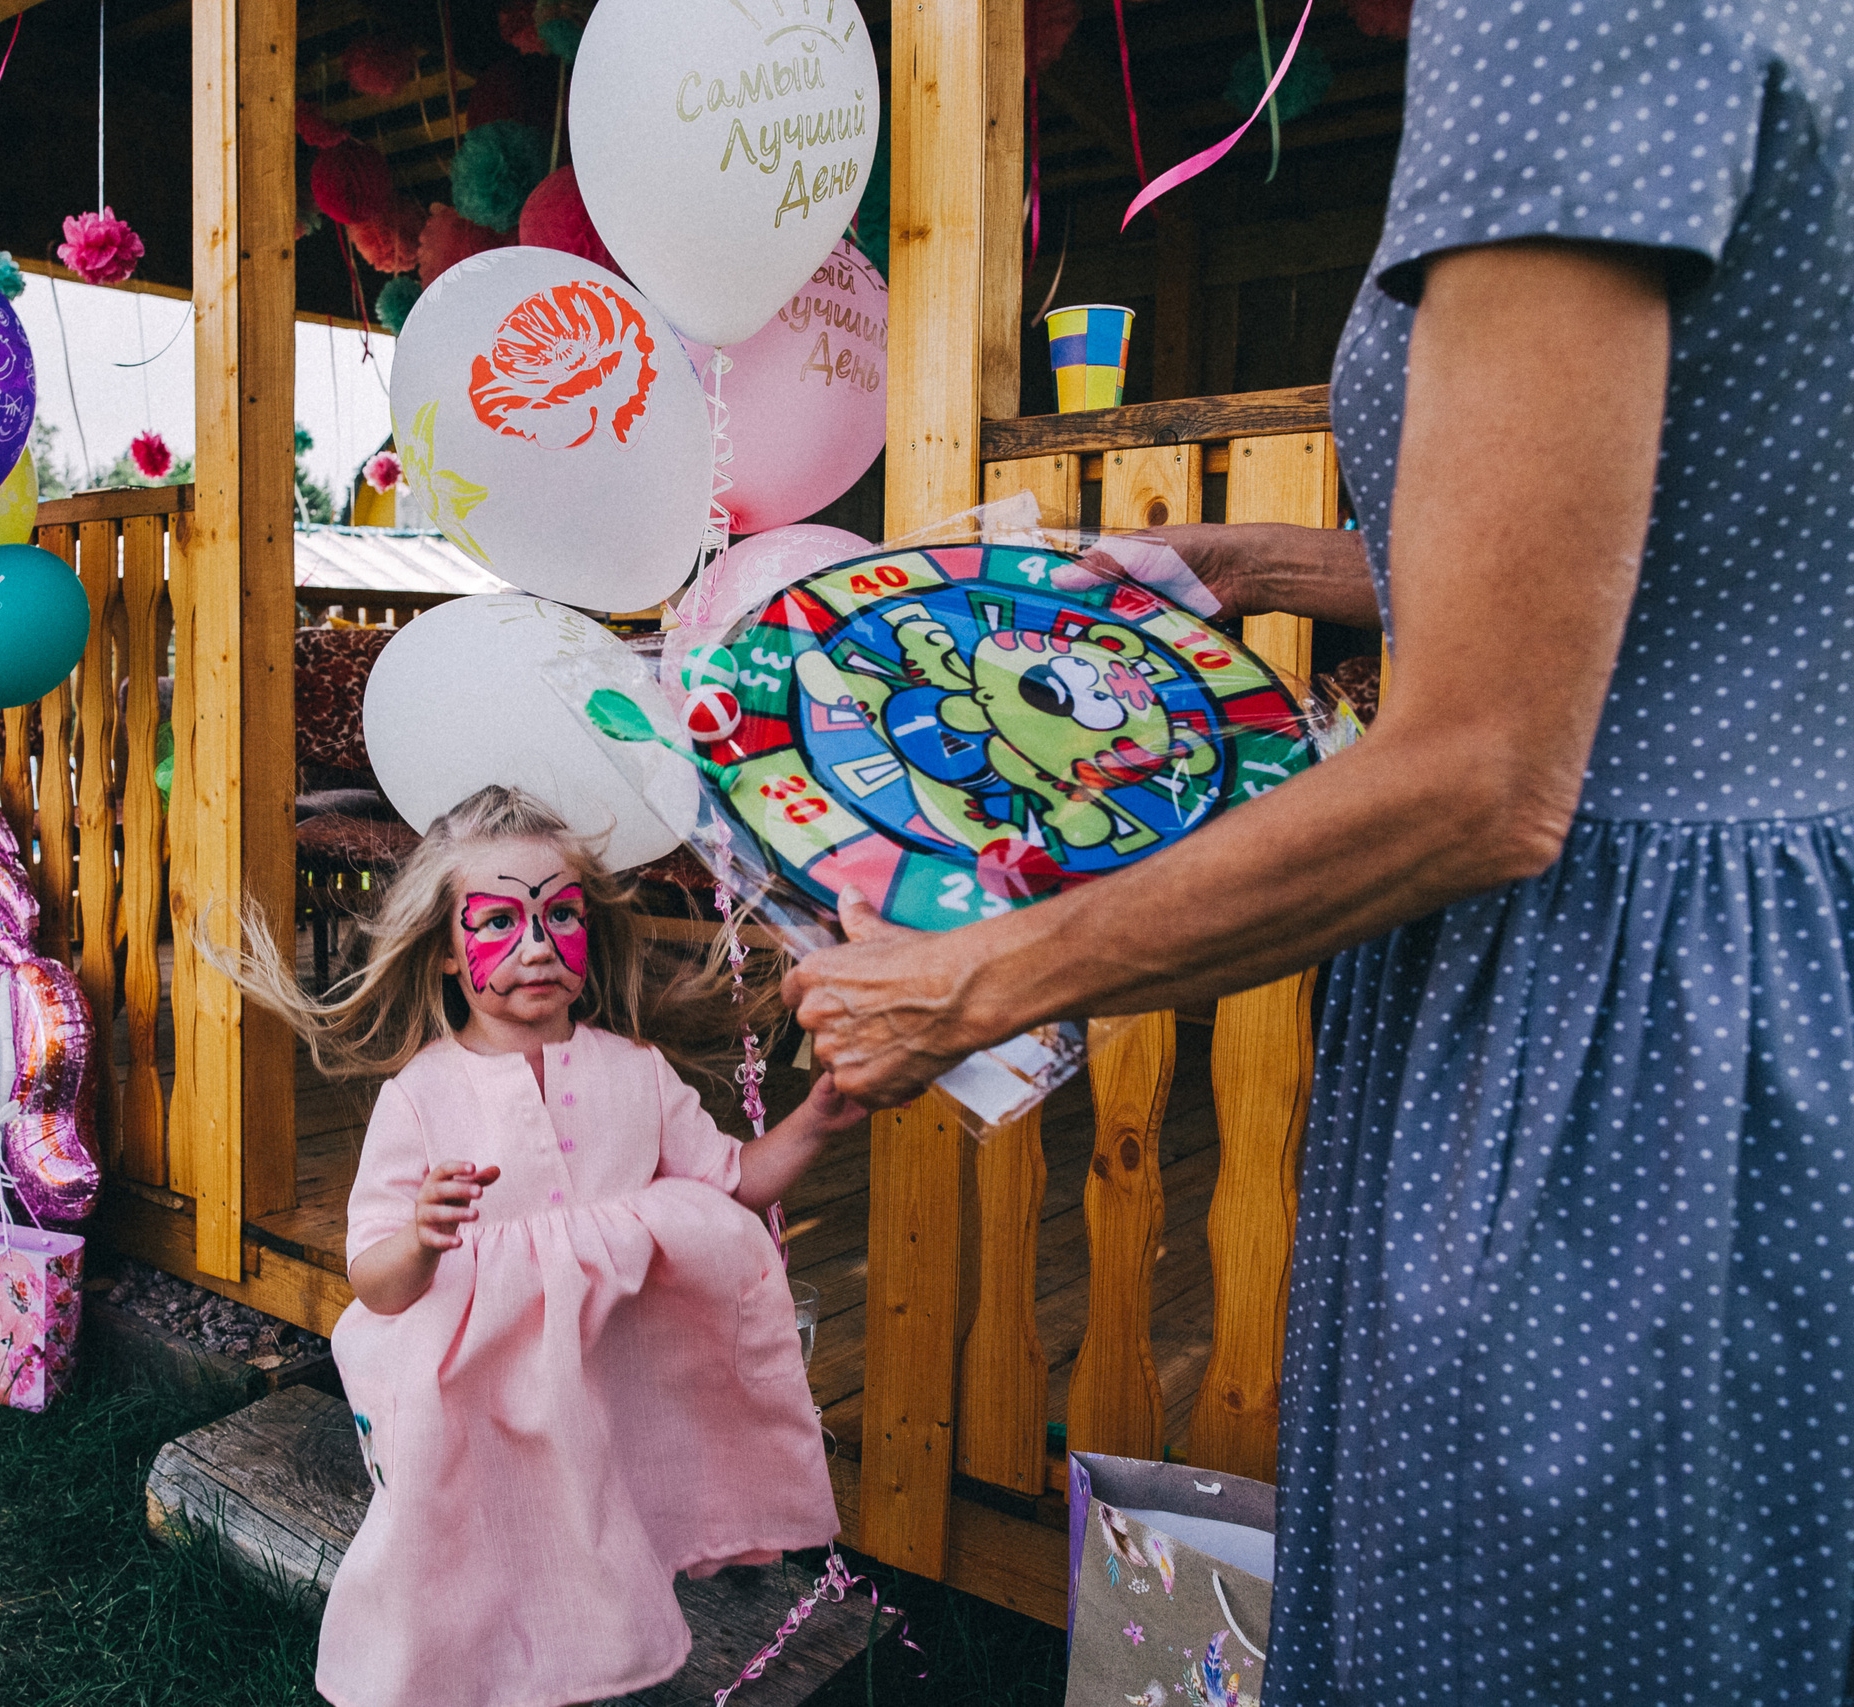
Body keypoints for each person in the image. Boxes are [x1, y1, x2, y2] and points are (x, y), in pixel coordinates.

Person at [784, 1, 1851, 1699]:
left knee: (1527, 1634)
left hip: (1592, 1032)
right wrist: (1272, 561)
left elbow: (1484, 777)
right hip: (1767, 980)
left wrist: (963, 979)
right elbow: (1675, 547)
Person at [229, 785, 866, 1707]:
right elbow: (376, 1280)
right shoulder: (422, 1095)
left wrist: (814, 1121)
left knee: (591, 1526)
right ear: (448, 953)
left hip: (604, 1378)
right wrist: (420, 1236)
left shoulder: (635, 1072)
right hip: (475, 1391)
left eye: (560, 913)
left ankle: (593, 1660)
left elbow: (729, 1180)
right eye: (499, 920)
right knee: (480, 1545)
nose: (536, 944)